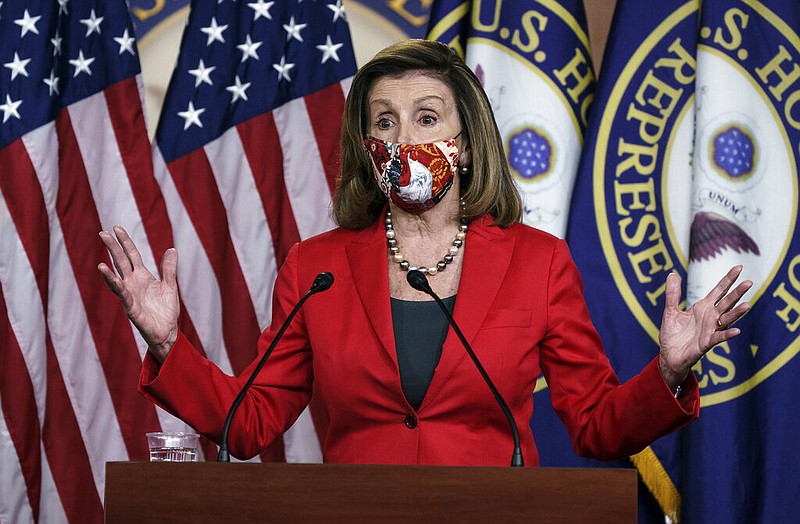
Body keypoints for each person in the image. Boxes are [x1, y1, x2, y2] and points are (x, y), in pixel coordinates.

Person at [98, 40, 751, 465]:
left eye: (426, 117)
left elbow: (596, 425)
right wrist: (166, 345)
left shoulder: (538, 264)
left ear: (465, 145)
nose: (401, 137)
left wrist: (667, 372)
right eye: (384, 121)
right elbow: (249, 422)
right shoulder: (315, 268)